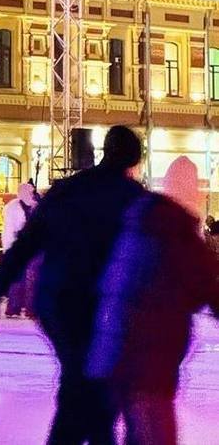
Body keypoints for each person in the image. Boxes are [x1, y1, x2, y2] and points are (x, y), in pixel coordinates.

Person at [0, 125, 144, 445]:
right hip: (100, 306)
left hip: (60, 300)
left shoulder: (68, 190)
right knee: (88, 386)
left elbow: (26, 244)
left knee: (83, 383)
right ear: (134, 157)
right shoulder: (133, 198)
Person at [88, 156, 219, 445]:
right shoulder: (178, 232)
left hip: (118, 357)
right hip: (147, 366)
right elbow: (209, 290)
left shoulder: (141, 220)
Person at [1, 182, 39, 317]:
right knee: (18, 278)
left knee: (31, 278)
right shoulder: (12, 207)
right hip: (16, 246)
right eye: (29, 192)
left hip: (31, 247)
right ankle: (14, 307)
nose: (31, 194)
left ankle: (30, 308)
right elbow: (9, 229)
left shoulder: (34, 206)